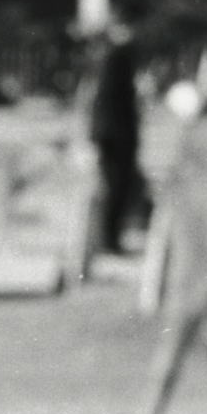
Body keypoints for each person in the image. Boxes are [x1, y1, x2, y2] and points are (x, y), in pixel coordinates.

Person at [86, 39, 147, 258]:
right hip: (115, 139)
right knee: (115, 189)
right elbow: (113, 107)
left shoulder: (112, 63)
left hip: (112, 138)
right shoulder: (117, 63)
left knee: (115, 188)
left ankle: (108, 239)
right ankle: (108, 240)